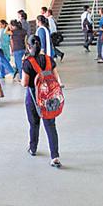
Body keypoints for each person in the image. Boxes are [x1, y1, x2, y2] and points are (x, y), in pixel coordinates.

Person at [21, 35, 61, 168]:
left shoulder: (28, 62)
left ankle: (33, 148)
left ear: (28, 46)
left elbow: (25, 83)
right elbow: (55, 77)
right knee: (51, 126)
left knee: (34, 124)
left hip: (33, 97)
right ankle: (55, 156)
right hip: (49, 99)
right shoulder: (49, 60)